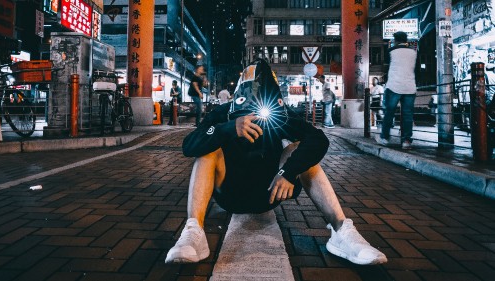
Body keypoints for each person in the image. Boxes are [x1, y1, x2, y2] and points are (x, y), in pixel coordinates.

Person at [165, 59, 387, 266]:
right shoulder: (223, 113)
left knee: (297, 149)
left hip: (269, 192)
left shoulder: (280, 114)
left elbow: (318, 139)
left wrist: (289, 172)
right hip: (229, 193)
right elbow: (189, 146)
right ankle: (194, 233)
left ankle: (341, 232)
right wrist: (228, 128)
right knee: (207, 151)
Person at [375, 31, 417, 150]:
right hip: (410, 87)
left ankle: (384, 138)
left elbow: (385, 67)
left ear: (395, 40)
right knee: (407, 115)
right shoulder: (413, 52)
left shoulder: (391, 51)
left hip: (394, 86)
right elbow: (416, 69)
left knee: (389, 112)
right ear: (406, 40)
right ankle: (406, 141)